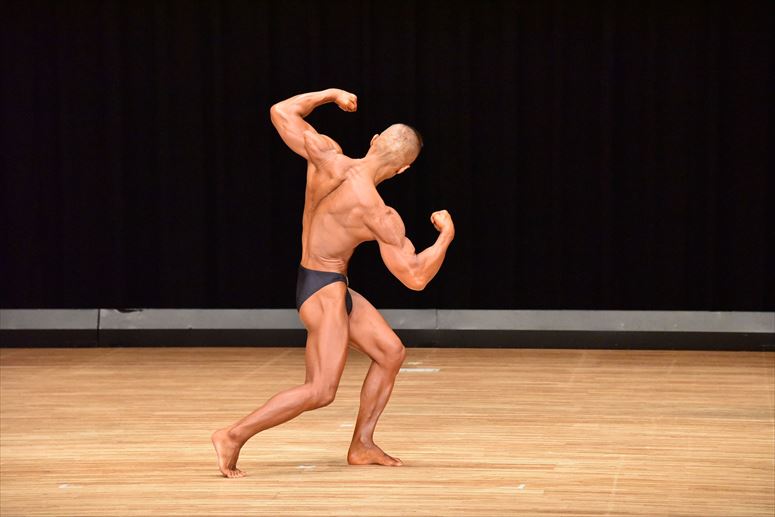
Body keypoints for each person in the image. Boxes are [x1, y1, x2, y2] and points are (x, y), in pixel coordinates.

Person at [212, 88, 455, 478]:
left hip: (326, 283)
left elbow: (281, 111)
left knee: (390, 352)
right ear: (403, 170)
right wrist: (445, 236)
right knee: (320, 390)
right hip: (324, 292)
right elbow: (415, 276)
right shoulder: (378, 214)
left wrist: (330, 95)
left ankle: (362, 445)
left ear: (373, 141)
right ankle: (232, 435)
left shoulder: (326, 155)